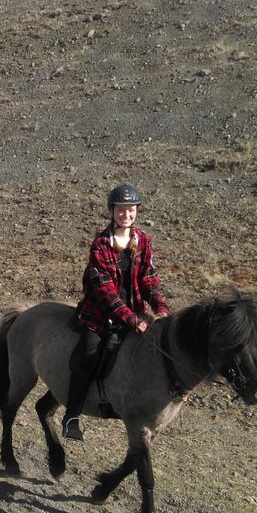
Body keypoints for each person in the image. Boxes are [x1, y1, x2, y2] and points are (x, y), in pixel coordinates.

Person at [62, 184, 171, 441]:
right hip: (100, 315)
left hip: (133, 313)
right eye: (121, 210)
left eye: (131, 210)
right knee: (87, 357)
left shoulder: (143, 240)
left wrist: (160, 308)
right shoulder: (100, 244)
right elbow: (106, 291)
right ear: (112, 211)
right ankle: (71, 417)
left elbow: (149, 280)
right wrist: (132, 319)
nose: (126, 215)